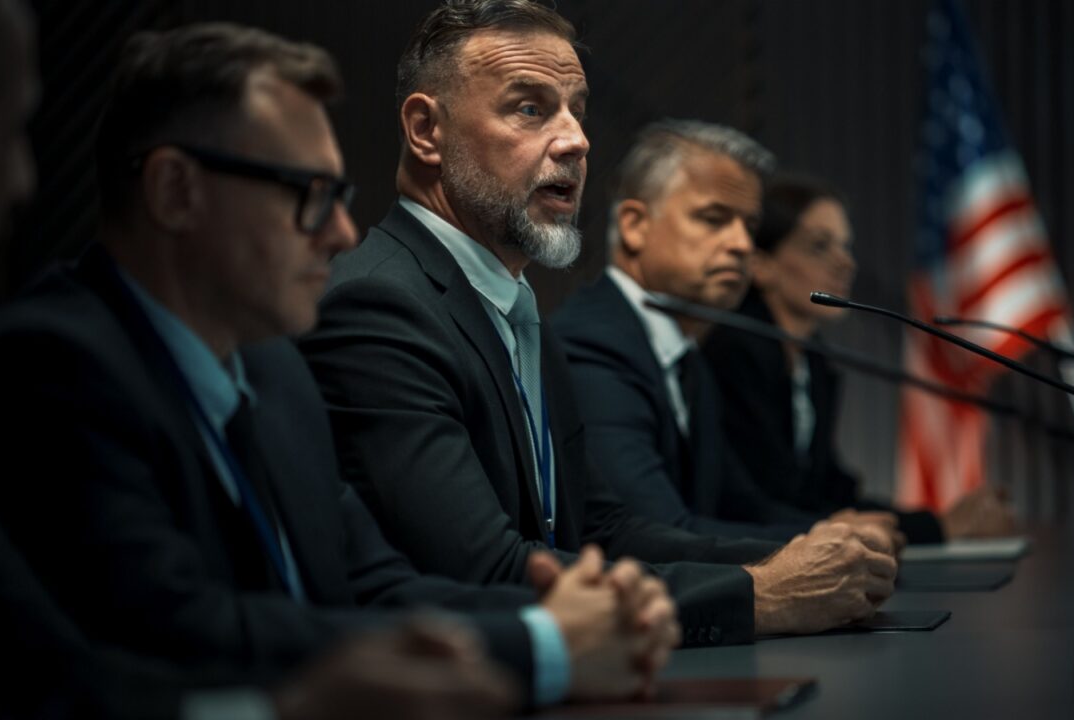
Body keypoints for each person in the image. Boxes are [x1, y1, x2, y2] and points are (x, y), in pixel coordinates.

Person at [0, 20, 677, 715]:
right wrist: (544, 642)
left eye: (338, 198)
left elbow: (378, 587)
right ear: (175, 192)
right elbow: (182, 629)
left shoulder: (276, 370)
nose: (342, 233)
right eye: (308, 193)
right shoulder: (51, 363)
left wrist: (572, 616)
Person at [301, 0, 898, 646]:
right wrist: (763, 595)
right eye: (530, 108)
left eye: (577, 110)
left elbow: (601, 530)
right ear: (426, 131)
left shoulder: (517, 308)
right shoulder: (379, 306)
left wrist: (798, 556)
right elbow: (485, 569)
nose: (576, 140)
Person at [552, 120, 867, 545]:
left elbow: (740, 505)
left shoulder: (687, 356)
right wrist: (827, 543)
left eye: (749, 226)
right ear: (634, 226)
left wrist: (839, 533)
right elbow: (651, 534)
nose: (741, 245)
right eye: (713, 219)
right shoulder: (594, 346)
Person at [701, 175, 1017, 542]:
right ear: (761, 265)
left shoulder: (811, 358)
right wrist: (937, 528)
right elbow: (747, 507)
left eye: (845, 246)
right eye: (819, 247)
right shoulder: (733, 352)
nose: (845, 263)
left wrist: (937, 520)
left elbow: (830, 493)